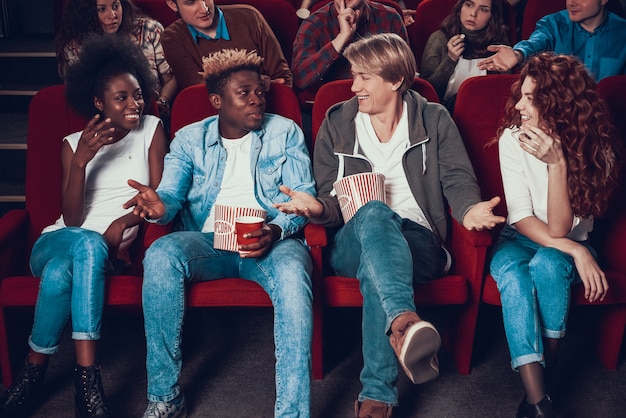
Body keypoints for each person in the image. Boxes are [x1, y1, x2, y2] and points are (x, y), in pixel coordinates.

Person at [276, 33, 505, 418]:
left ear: (396, 80)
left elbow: (457, 179)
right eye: (354, 75)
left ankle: (379, 392)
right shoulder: (337, 122)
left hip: (420, 241)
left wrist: (468, 211)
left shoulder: (433, 118)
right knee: (374, 212)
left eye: (365, 77)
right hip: (353, 237)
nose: (354, 86)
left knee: (375, 267)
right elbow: (333, 202)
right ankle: (404, 324)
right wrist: (317, 208)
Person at [123, 49, 315, 418]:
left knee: (294, 276)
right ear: (217, 101)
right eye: (244, 93)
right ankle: (164, 397)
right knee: (160, 254)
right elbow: (170, 195)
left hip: (272, 240)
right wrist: (159, 207)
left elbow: (304, 197)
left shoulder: (285, 132)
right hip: (209, 242)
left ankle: (292, 413)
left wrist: (275, 230)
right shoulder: (188, 140)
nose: (257, 99)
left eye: (260, 91)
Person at [0, 34, 167, 418]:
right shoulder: (73, 143)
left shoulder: (152, 130)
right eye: (121, 97)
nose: (134, 104)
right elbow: (72, 219)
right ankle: (87, 379)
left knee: (62, 275)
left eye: (138, 94)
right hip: (58, 241)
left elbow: (157, 196)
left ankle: (32, 372)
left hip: (100, 254)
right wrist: (81, 162)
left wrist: (123, 223)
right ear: (98, 102)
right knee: (81, 247)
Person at [489, 52, 620, 418]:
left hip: (564, 240)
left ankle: (540, 389)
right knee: (514, 277)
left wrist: (557, 163)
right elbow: (521, 217)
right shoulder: (512, 139)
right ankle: (540, 402)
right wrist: (579, 254)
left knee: (548, 262)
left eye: (531, 98)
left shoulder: (597, 146)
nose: (519, 105)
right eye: (522, 94)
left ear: (558, 102)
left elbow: (561, 229)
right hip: (518, 240)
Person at [56, 0, 178, 119]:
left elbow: (171, 78)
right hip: (104, 119)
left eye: (115, 6)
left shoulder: (148, 29)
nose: (112, 15)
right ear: (86, 13)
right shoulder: (75, 47)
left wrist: (163, 101)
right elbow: (81, 97)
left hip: (152, 114)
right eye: (102, 9)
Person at [477, 0, 626, 81]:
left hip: (609, 120)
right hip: (561, 116)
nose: (571, 3)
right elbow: (536, 44)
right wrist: (518, 54)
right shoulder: (552, 23)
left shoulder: (622, 32)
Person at [161, 0, 292, 90]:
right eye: (191, 2)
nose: (204, 8)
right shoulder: (172, 37)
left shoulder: (250, 17)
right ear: (173, 4)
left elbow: (282, 77)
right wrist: (255, 82)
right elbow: (198, 90)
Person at [291, 0, 408, 99]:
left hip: (381, 102)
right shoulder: (313, 23)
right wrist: (342, 38)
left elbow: (406, 72)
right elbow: (300, 79)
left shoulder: (390, 18)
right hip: (332, 107)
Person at [421, 0, 510, 111]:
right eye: (469, 5)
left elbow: (504, 94)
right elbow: (426, 93)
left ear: (492, 16)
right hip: (442, 114)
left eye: (483, 9)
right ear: (460, 7)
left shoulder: (500, 46)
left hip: (483, 112)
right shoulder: (438, 39)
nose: (473, 13)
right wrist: (450, 59)